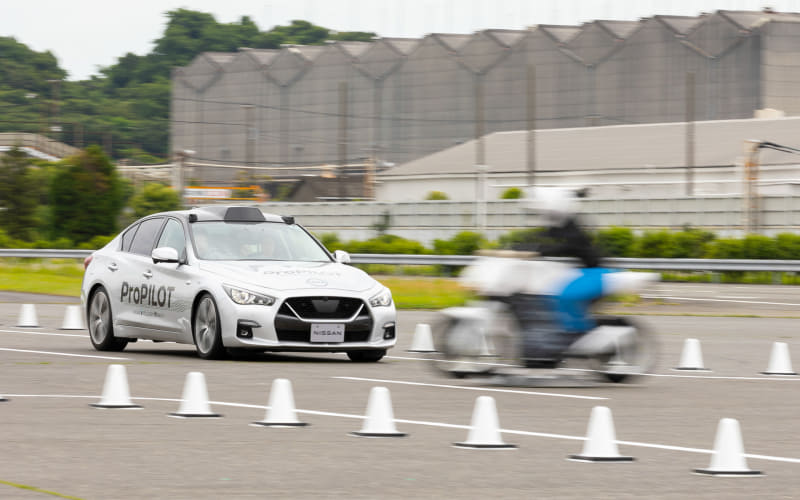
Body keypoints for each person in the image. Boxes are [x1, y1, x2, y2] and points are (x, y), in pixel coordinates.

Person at [513, 187, 613, 367]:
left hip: (596, 273)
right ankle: (554, 348)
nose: (545, 216)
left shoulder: (572, 227)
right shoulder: (560, 226)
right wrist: (517, 247)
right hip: (585, 273)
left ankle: (577, 341)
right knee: (546, 297)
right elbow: (541, 238)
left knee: (563, 298)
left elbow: (566, 245)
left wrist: (537, 251)